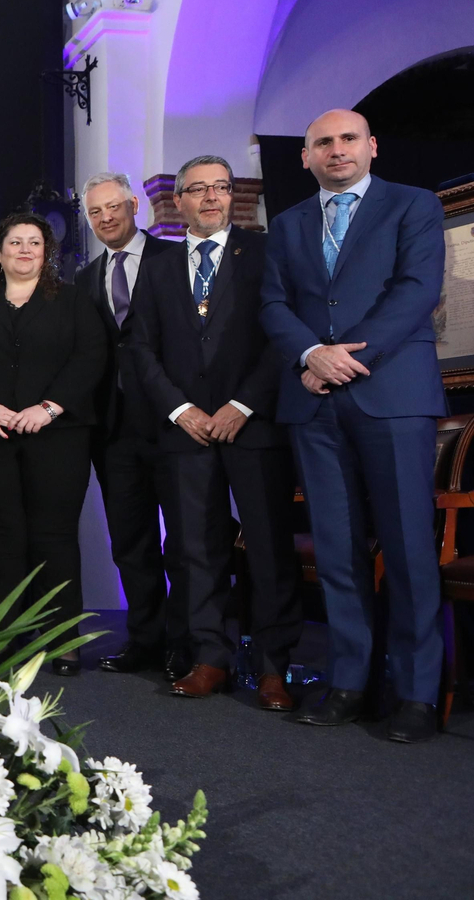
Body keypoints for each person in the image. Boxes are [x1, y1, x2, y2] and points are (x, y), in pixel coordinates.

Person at [262, 109, 448, 743]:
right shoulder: (286, 225)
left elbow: (418, 290)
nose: (336, 150)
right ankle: (349, 682)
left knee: (407, 549)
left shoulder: (413, 204)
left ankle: (417, 691)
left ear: (371, 146)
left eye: (347, 139)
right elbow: (274, 304)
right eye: (322, 143)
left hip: (391, 396)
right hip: (313, 404)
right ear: (305, 156)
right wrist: (311, 355)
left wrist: (345, 360)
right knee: (337, 552)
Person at [129, 155, 302, 709]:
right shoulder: (156, 267)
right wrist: (180, 409)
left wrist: (242, 404)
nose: (210, 198)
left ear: (234, 197)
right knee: (195, 549)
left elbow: (283, 336)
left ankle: (274, 667)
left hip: (253, 427)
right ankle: (211, 658)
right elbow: (139, 347)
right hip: (186, 433)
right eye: (197, 190)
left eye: (221, 188)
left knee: (269, 549)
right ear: (177, 201)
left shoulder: (266, 252)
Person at [0, 214, 106, 676]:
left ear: (46, 252)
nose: (25, 249)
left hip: (58, 439)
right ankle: (6, 641)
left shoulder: (71, 301)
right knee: (1, 540)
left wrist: (50, 408)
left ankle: (62, 643)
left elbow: (91, 357)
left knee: (53, 538)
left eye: (35, 242)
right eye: (15, 241)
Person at [73, 173, 187, 681]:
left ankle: (189, 643)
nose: (105, 219)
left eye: (113, 207)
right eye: (95, 213)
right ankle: (146, 640)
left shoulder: (177, 259)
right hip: (114, 432)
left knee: (185, 542)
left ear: (134, 205)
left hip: (173, 424)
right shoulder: (84, 279)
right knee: (131, 544)